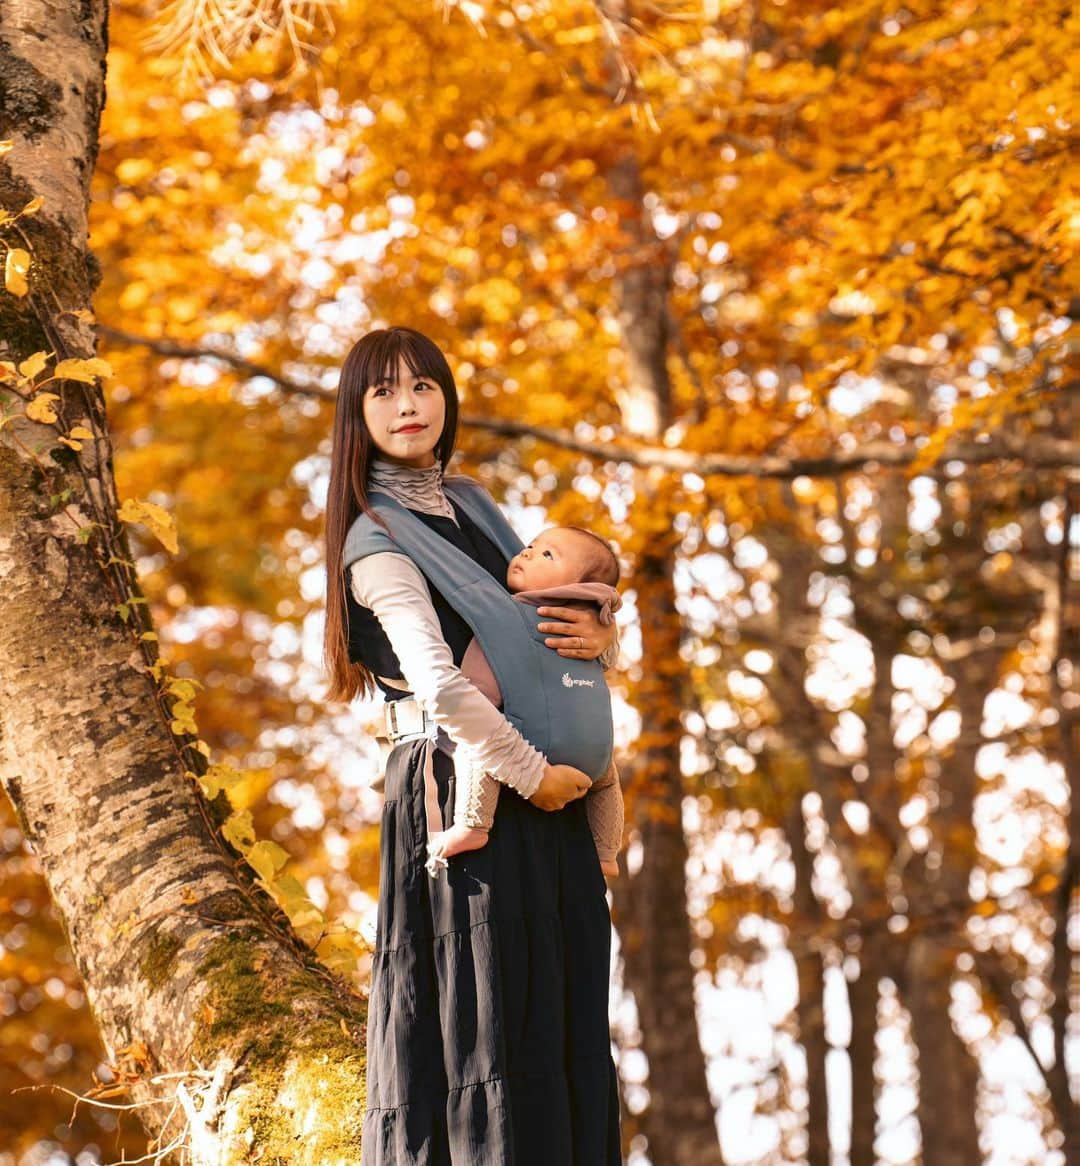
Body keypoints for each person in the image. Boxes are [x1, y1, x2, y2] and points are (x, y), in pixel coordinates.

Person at [322, 325, 623, 1165]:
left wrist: (599, 645)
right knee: (487, 1044)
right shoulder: (374, 539)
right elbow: (441, 684)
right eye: (382, 392)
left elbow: (536, 631)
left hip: (550, 801)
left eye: (422, 386)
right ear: (357, 415)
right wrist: (533, 776)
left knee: (561, 1038)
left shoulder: (480, 509)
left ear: (446, 397)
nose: (408, 406)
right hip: (466, 788)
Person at [424, 524, 625, 879]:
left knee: (475, 741)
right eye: (532, 545)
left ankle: (472, 825)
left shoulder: (506, 617)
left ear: (579, 585)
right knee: (607, 783)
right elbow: (606, 663)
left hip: (535, 743)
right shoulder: (593, 626)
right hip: (596, 754)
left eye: (548, 554)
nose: (528, 552)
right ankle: (606, 851)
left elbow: (478, 691)